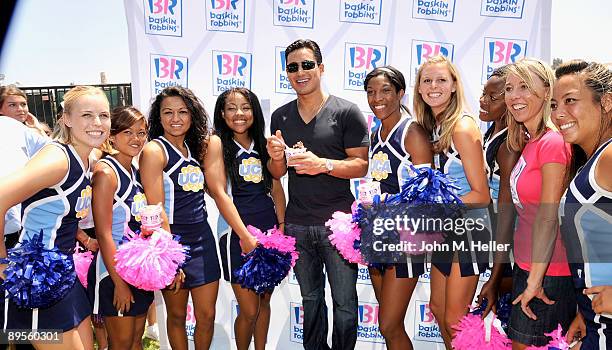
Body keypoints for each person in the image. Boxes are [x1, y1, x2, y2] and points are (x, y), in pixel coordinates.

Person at [266, 39, 369, 350]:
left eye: (307, 64)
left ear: (321, 68)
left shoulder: (347, 112)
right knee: (310, 301)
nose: (301, 72)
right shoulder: (281, 117)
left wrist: (322, 164)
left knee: (346, 305)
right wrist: (274, 156)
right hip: (298, 223)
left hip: (338, 226)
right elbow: (277, 173)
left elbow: (361, 165)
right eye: (293, 67)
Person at [0, 85, 111, 349]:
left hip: (64, 272)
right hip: (38, 279)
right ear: (66, 119)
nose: (97, 123)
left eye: (103, 115)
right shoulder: (57, 159)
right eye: (87, 115)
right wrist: (2, 263)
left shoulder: (88, 156)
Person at [413, 55, 491, 348]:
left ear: (455, 85)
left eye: (441, 80)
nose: (434, 86)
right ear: (419, 89)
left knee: (454, 320)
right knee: (438, 310)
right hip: (448, 228)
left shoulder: (461, 126)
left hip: (470, 230)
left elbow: (481, 195)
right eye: (427, 80)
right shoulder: (435, 125)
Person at [139, 86, 224, 350]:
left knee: (207, 315)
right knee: (176, 315)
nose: (175, 118)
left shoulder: (196, 148)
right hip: (171, 239)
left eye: (182, 112)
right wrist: (170, 257)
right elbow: (156, 208)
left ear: (192, 115)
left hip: (202, 237)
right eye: (168, 112)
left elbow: (213, 189)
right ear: (159, 117)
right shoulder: (154, 150)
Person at [504, 58, 575, 348]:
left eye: (524, 86)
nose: (514, 96)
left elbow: (549, 217)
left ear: (547, 91)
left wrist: (535, 281)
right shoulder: (532, 141)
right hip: (527, 265)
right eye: (509, 88)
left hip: (548, 273)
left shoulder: (553, 143)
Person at [363, 66, 433, 349]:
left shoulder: (412, 132)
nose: (377, 98)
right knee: (388, 326)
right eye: (370, 92)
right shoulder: (375, 131)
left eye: (385, 91)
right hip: (377, 235)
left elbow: (427, 195)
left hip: (407, 239)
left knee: (389, 324)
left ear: (401, 93)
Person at [213, 87, 286, 350]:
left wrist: (281, 226)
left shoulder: (264, 144)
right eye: (231, 108)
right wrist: (244, 235)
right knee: (249, 310)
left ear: (254, 111)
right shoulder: (216, 144)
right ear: (222, 114)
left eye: (245, 107)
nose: (239, 114)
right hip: (237, 234)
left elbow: (277, 185)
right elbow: (219, 193)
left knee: (264, 301)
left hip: (269, 231)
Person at [552, 60, 612, 349]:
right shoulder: (591, 160)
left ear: (606, 102)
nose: (559, 113)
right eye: (554, 104)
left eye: (570, 101)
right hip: (596, 320)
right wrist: (582, 312)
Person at [88, 106, 153, 350]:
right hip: (113, 272)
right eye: (128, 132)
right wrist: (120, 283)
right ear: (112, 135)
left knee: (137, 340)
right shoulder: (106, 173)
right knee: (121, 344)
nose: (136, 139)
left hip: (138, 270)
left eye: (141, 133)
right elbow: (103, 234)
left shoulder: (135, 171)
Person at [475, 66, 520, 316]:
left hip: (504, 253)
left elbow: (506, 213)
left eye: (493, 97)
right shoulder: (491, 132)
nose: (483, 101)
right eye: (484, 93)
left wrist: (494, 278)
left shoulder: (509, 146)